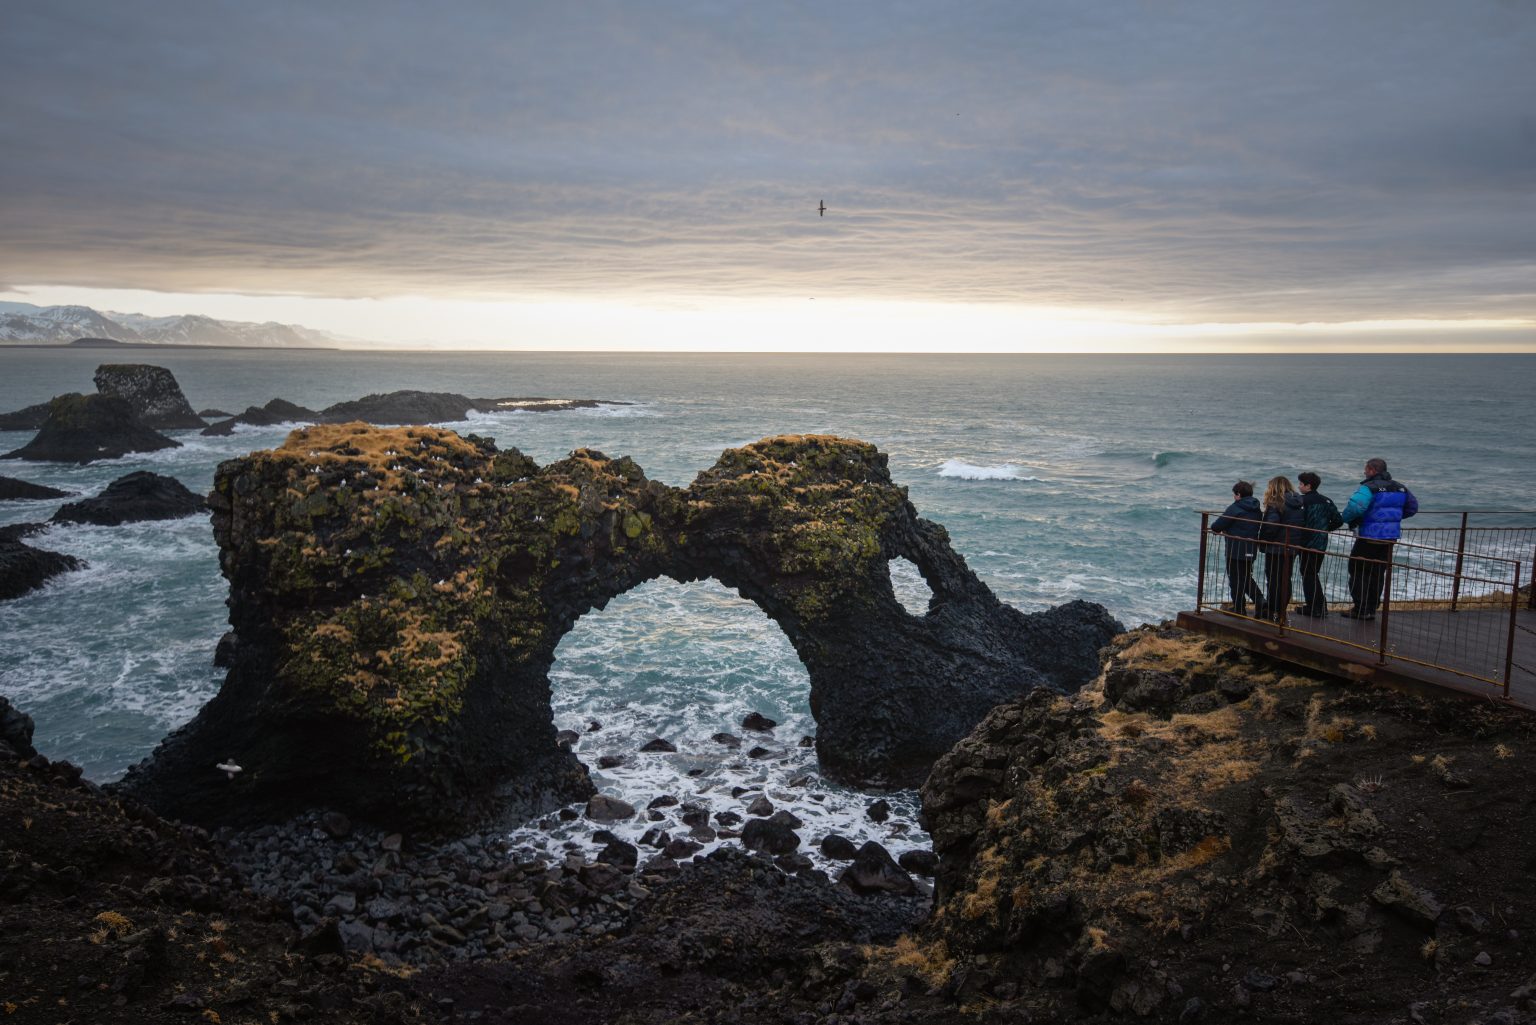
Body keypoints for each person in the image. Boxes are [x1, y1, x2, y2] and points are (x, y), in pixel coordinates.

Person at [1336, 458, 1418, 620]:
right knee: (1378, 572)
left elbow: (1356, 507)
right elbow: (1413, 507)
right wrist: (1394, 518)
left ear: (1373, 470)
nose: (1364, 472)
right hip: (1389, 537)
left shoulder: (1369, 487)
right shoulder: (1400, 488)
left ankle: (1361, 608)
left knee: (1358, 570)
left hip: (1369, 536)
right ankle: (1372, 608)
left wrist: (1345, 519)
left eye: (1366, 469)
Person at [1209, 480, 1264, 616]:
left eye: (1234, 494)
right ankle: (1259, 600)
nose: (1234, 497)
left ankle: (1240, 607)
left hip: (1235, 549)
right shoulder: (1257, 509)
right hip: (1251, 548)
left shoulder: (1235, 507)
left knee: (1235, 579)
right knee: (1245, 577)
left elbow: (1216, 526)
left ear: (1238, 494)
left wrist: (1226, 530)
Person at [1293, 471, 1343, 617]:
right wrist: (1324, 529)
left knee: (1308, 574)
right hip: (1321, 543)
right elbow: (1338, 520)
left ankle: (1316, 607)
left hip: (1306, 543)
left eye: (1301, 484)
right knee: (1312, 573)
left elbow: (1297, 520)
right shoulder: (1326, 501)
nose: (1299, 486)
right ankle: (1318, 606)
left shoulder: (1302, 501)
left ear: (1308, 486)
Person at [1258, 476, 1305, 621]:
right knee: (1285, 579)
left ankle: (1272, 610)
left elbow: (1271, 526)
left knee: (1273, 580)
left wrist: (1263, 541)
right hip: (1292, 546)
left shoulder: (1276, 503)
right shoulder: (1298, 502)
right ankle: (1282, 612)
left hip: (1276, 547)